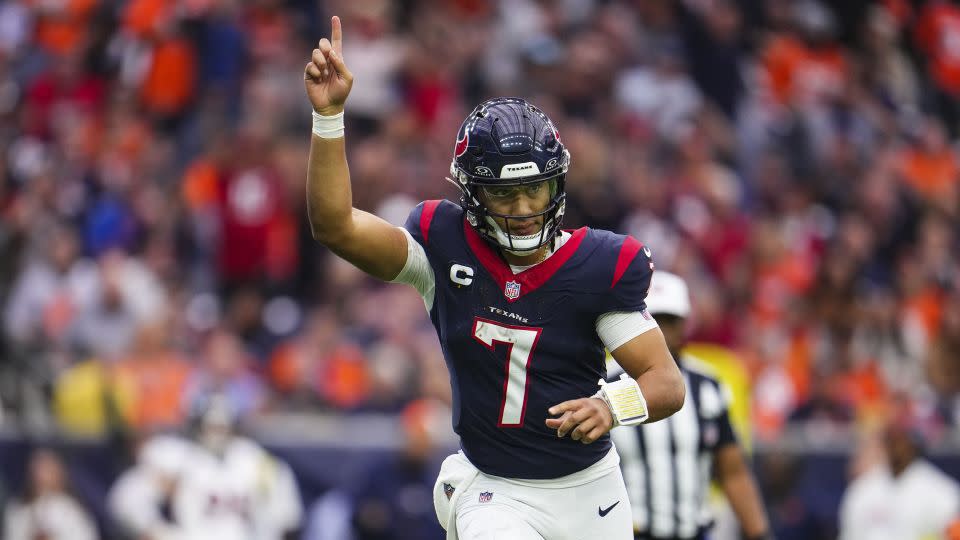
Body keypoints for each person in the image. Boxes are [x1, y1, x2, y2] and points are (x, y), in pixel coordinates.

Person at [303, 16, 685, 540]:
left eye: (536, 191)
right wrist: (329, 118)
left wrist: (610, 405)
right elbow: (336, 226)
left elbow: (665, 383)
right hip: (496, 489)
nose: (525, 209)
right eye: (505, 195)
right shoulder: (443, 249)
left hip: (589, 489)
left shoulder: (595, 268)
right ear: (473, 195)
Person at [608, 271, 772, 540]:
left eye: (669, 321)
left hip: (696, 532)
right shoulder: (606, 383)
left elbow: (733, 472)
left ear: (684, 325)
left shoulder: (708, 386)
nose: (660, 330)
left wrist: (760, 534)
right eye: (652, 319)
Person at [839, 414, 960, 540]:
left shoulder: (941, 490)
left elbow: (952, 534)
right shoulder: (863, 488)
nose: (898, 446)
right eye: (893, 439)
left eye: (902, 439)